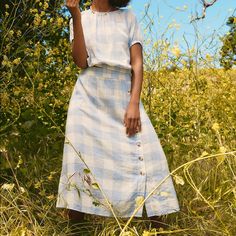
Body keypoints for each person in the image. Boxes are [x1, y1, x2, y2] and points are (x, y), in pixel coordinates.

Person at [56, 0, 180, 228]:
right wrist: (75, 15)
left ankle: (157, 227)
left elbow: (138, 63)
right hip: (87, 98)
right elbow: (81, 62)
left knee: (149, 157)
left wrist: (134, 103)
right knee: (79, 160)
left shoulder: (128, 16)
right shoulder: (80, 17)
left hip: (123, 92)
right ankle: (77, 229)